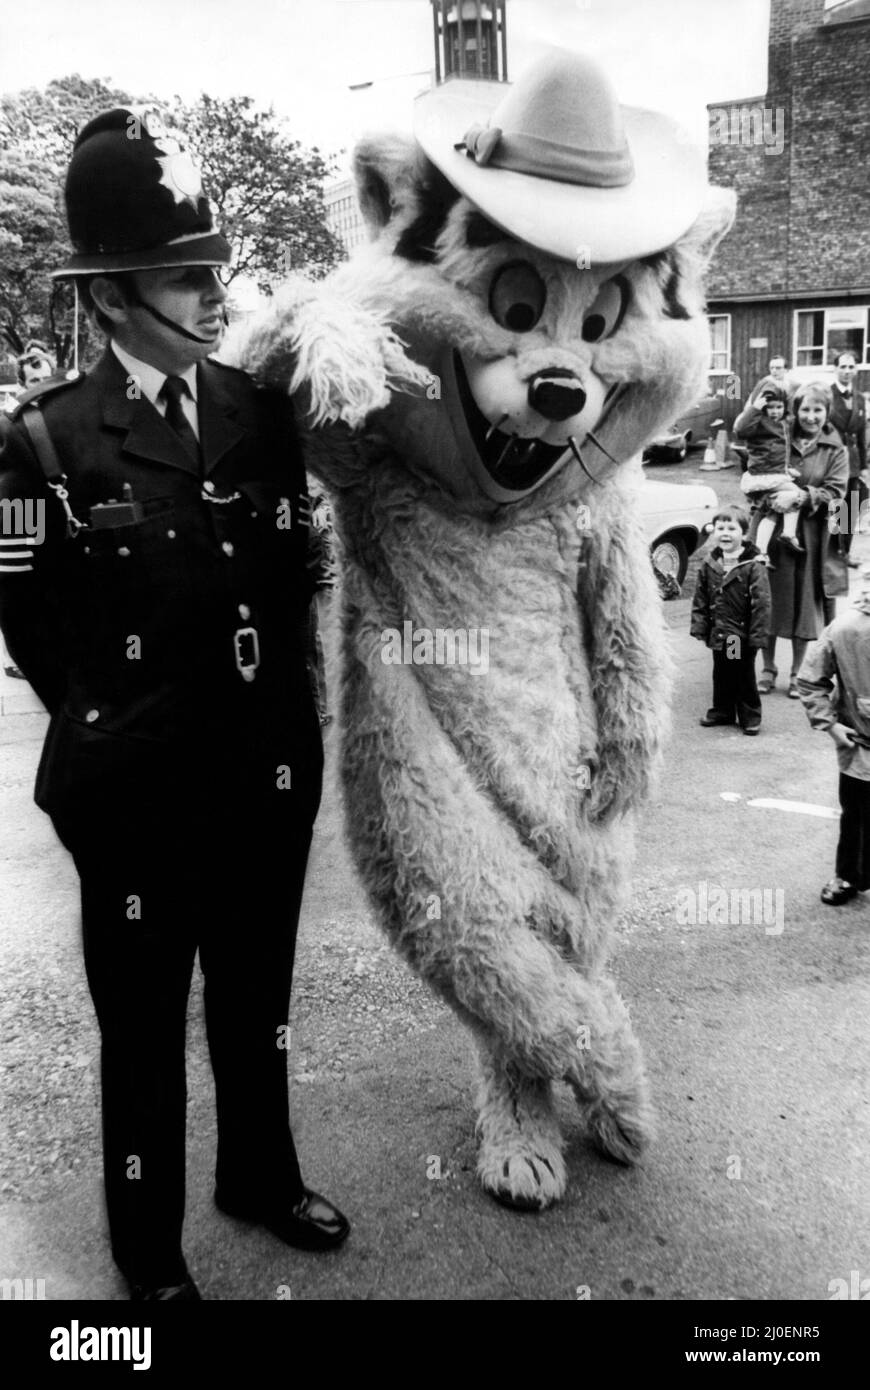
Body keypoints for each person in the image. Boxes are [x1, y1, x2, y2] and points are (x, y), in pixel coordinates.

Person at [0, 107, 349, 1301]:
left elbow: (296, 574)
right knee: (144, 1034)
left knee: (261, 1001)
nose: (212, 296)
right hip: (140, 796)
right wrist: (119, 735)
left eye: (216, 271)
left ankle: (260, 1174)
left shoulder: (259, 412)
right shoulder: (45, 441)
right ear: (109, 298)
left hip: (262, 774)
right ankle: (148, 1258)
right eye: (182, 277)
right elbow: (33, 630)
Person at [752, 382, 848, 698]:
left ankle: (797, 672)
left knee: (802, 603)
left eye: (817, 410)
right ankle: (767, 668)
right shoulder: (779, 434)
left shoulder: (836, 449)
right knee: (765, 599)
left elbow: (838, 492)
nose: (810, 416)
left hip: (808, 533)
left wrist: (801, 496)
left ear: (827, 412)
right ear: (796, 409)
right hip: (770, 527)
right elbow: (756, 465)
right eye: (805, 409)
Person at [797, 561, 870, 906]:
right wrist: (830, 723)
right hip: (859, 746)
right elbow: (810, 678)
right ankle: (848, 875)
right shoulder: (843, 630)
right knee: (855, 814)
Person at [690, 504, 771, 735]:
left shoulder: (752, 565)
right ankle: (722, 710)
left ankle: (749, 715)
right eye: (720, 528)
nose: (725, 533)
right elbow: (701, 596)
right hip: (719, 630)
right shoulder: (710, 562)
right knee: (722, 670)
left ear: (744, 533)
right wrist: (700, 625)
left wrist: (757, 636)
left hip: (738, 635)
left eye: (731, 528)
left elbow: (762, 603)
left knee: (740, 672)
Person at [734, 379, 803, 561]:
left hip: (775, 473)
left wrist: (786, 468)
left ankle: (761, 552)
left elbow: (781, 450)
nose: (775, 412)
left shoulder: (784, 423)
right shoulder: (758, 422)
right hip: (763, 476)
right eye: (770, 408)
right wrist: (755, 408)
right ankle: (788, 533)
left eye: (779, 407)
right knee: (796, 495)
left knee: (771, 511)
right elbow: (740, 430)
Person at [828, 351, 867, 565]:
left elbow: (862, 435)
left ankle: (846, 552)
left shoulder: (860, 398)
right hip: (832, 461)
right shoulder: (826, 395)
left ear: (856, 370)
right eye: (842, 367)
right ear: (835, 369)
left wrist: (864, 466)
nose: (847, 371)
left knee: (852, 508)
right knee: (834, 507)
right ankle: (832, 553)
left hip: (852, 464)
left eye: (851, 367)